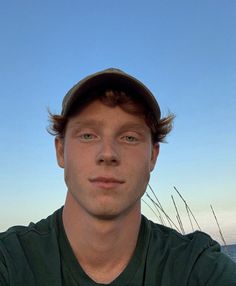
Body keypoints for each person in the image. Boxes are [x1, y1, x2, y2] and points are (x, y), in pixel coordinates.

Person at [0, 68, 235, 286]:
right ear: (60, 151)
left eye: (130, 137)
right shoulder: (10, 261)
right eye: (88, 135)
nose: (108, 154)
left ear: (153, 156)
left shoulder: (195, 267)